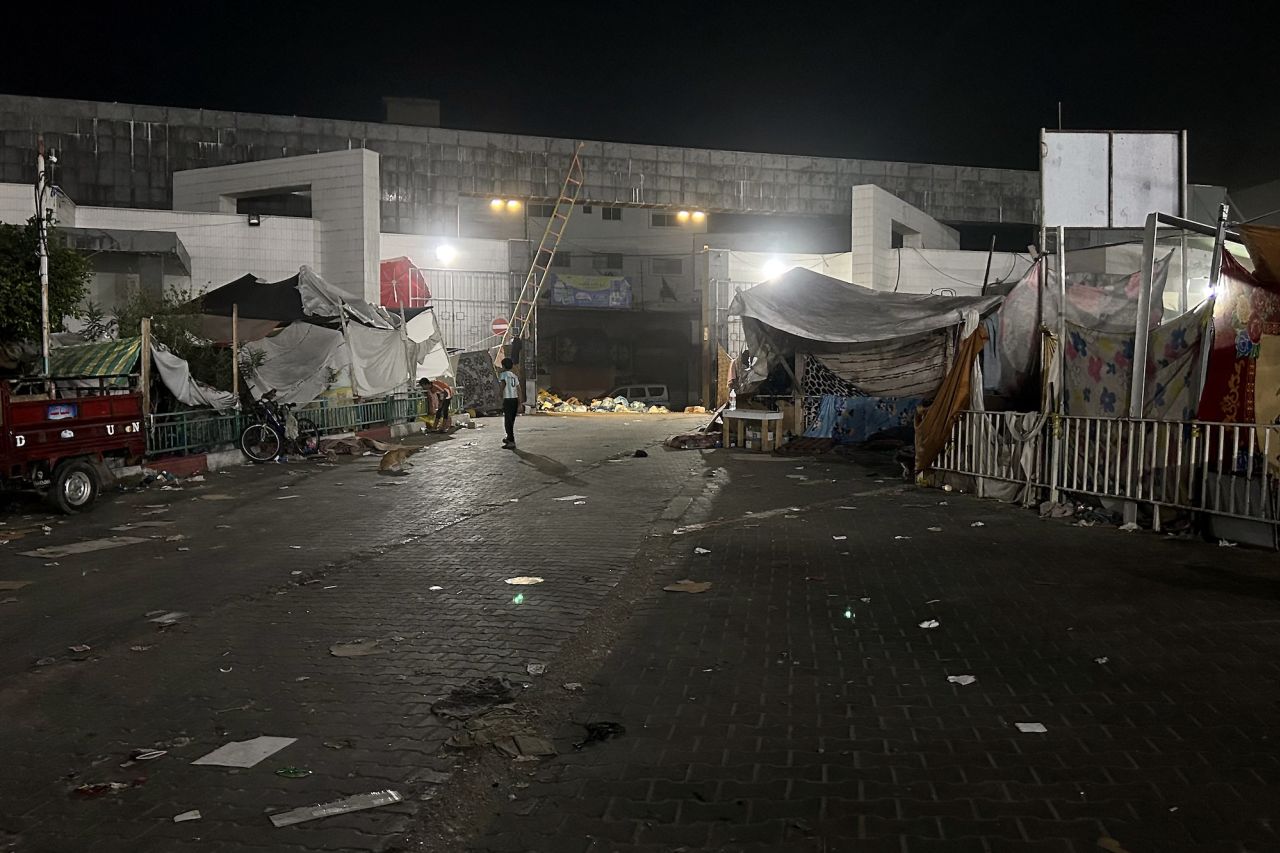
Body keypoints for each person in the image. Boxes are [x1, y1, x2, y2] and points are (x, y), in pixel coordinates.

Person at [498, 357, 520, 448]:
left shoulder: (503, 375)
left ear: (503, 366)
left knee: (507, 422)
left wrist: (499, 395)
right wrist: (520, 402)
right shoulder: (514, 376)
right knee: (511, 421)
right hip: (514, 399)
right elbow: (519, 389)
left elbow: (503, 385)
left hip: (507, 399)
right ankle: (509, 438)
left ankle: (511, 441)